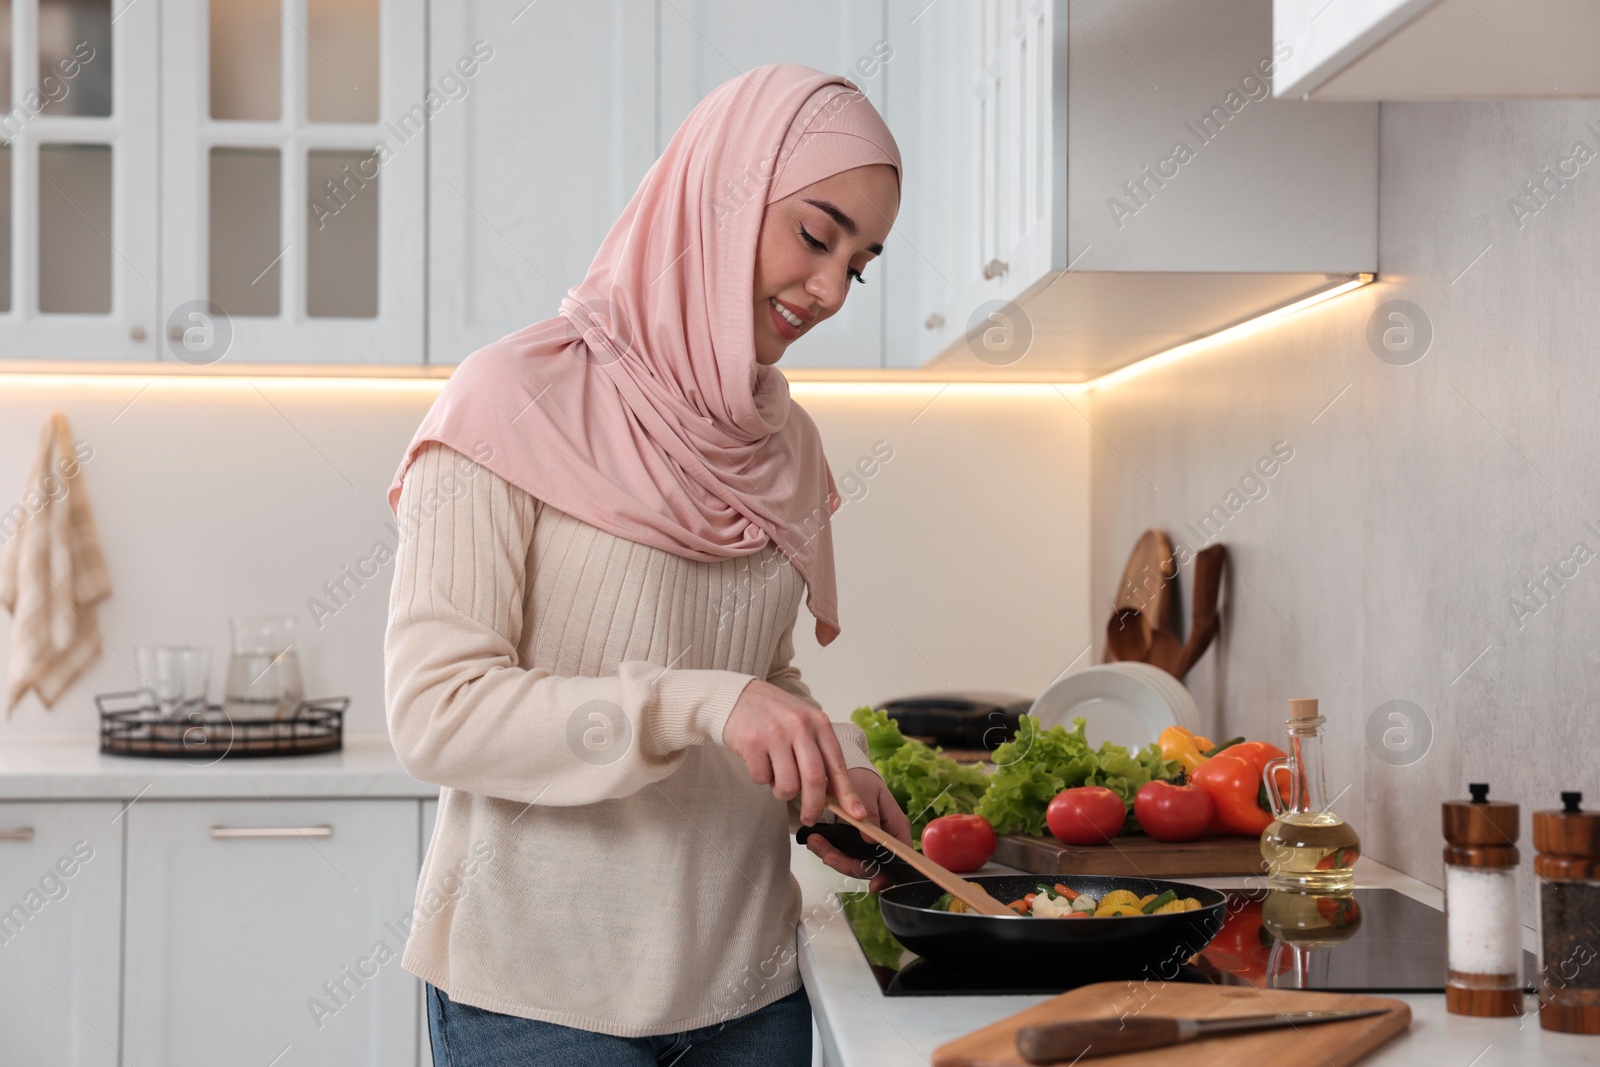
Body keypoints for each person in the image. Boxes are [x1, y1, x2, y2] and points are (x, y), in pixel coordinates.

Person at [383, 63, 913, 1066]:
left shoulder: (781, 440)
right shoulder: (507, 399)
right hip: (534, 999)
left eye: (862, 261)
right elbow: (435, 712)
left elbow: (751, 666)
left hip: (749, 986)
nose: (832, 287)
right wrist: (702, 702)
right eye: (814, 232)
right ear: (718, 195)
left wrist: (821, 755)